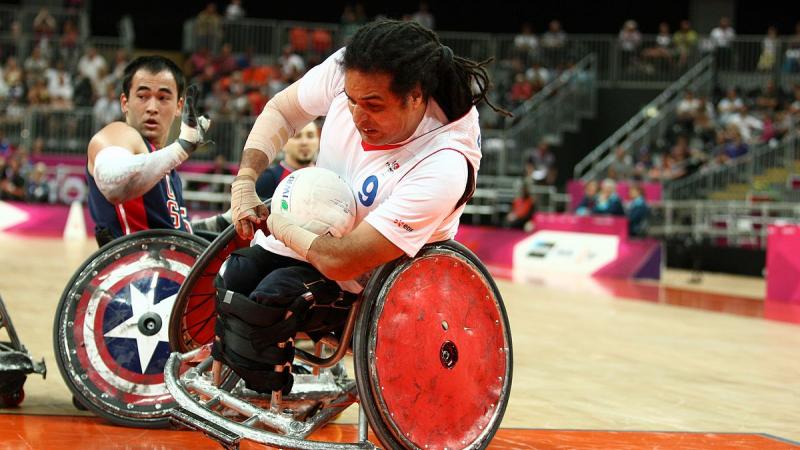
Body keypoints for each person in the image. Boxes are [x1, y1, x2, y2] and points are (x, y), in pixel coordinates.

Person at [212, 19, 508, 394]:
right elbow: (283, 111)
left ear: (416, 96)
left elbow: (344, 261)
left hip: (370, 278)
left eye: (373, 105)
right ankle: (239, 375)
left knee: (274, 295)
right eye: (351, 100)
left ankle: (265, 388)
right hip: (314, 235)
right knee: (234, 274)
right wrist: (245, 180)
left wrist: (279, 223)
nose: (356, 115)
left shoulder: (444, 163)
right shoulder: (353, 70)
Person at [86, 55, 210, 247]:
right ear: (125, 103)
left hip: (172, 265)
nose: (152, 107)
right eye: (142, 97)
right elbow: (113, 184)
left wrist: (220, 223)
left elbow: (172, 230)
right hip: (139, 269)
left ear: (179, 105)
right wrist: (183, 147)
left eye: (163, 98)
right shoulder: (119, 134)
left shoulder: (163, 162)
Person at [191, 120, 320, 233]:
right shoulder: (269, 179)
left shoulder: (326, 178)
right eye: (297, 136)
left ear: (318, 140)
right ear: (284, 143)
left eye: (310, 136)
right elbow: (235, 219)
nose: (304, 142)